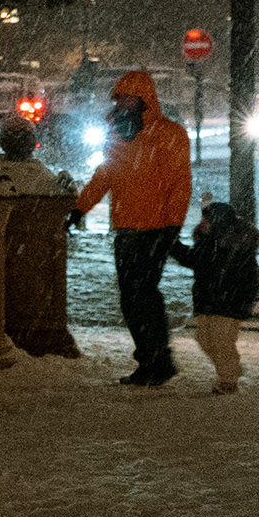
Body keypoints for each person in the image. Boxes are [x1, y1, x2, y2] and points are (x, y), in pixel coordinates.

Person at [69, 68, 192, 388]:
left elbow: (180, 184)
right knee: (131, 298)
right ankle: (152, 359)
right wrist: (80, 207)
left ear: (143, 99)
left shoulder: (169, 134)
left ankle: (157, 360)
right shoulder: (119, 133)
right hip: (126, 228)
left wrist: (172, 224)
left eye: (127, 97)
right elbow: (105, 176)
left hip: (154, 229)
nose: (121, 102)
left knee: (144, 296)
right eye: (118, 97)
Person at [175, 196, 259, 394]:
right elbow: (196, 260)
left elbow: (196, 260)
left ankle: (228, 380)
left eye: (207, 220)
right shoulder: (210, 242)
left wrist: (173, 245)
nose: (202, 224)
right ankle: (231, 369)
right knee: (204, 338)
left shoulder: (229, 246)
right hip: (210, 300)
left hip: (229, 301)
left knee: (221, 341)